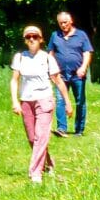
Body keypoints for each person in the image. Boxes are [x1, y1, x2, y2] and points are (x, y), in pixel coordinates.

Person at [9, 24, 60, 183]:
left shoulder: (47, 57)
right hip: (26, 101)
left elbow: (57, 80)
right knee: (32, 138)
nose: (32, 39)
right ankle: (48, 163)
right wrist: (15, 101)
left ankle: (35, 173)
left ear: (41, 39)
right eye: (28, 37)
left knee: (40, 136)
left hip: (44, 98)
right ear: (25, 40)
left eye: (35, 37)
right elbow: (14, 80)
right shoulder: (20, 57)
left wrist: (67, 102)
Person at [49, 9, 92, 135]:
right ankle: (62, 128)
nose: (63, 25)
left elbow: (87, 52)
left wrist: (83, 67)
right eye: (61, 23)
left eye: (65, 22)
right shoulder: (55, 35)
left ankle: (79, 129)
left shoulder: (81, 35)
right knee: (60, 100)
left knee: (80, 101)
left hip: (77, 75)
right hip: (60, 75)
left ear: (71, 21)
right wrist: (52, 70)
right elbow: (51, 53)